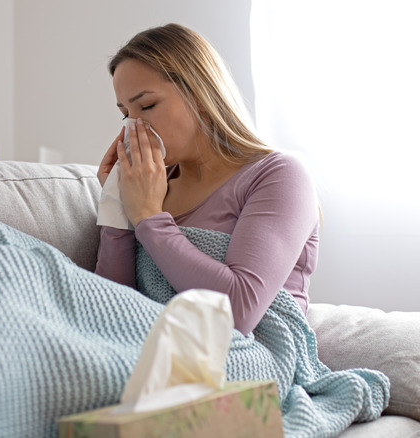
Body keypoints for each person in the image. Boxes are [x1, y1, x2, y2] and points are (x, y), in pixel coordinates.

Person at [95, 23, 320, 335]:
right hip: (149, 351)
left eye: (146, 105)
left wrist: (148, 218)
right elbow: (108, 316)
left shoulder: (280, 174)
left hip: (246, 361)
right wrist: (116, 203)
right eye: (125, 114)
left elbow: (238, 313)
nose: (135, 127)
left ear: (199, 95)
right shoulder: (148, 187)